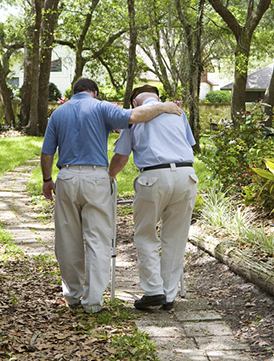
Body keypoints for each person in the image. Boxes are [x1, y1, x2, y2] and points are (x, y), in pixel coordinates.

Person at [41, 78, 182, 314]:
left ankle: (72, 295)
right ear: (94, 92)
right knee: (98, 239)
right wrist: (163, 107)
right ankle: (94, 302)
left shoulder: (58, 113)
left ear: (73, 92)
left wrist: (47, 180)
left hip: (65, 177)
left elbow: (47, 152)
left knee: (67, 239)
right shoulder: (101, 106)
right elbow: (135, 116)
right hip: (96, 177)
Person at [108, 84, 198, 311]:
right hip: (187, 175)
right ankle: (168, 295)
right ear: (157, 97)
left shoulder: (135, 117)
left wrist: (108, 177)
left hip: (154, 176)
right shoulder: (178, 112)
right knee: (176, 237)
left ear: (134, 102)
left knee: (146, 234)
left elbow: (121, 158)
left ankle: (153, 291)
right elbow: (189, 144)